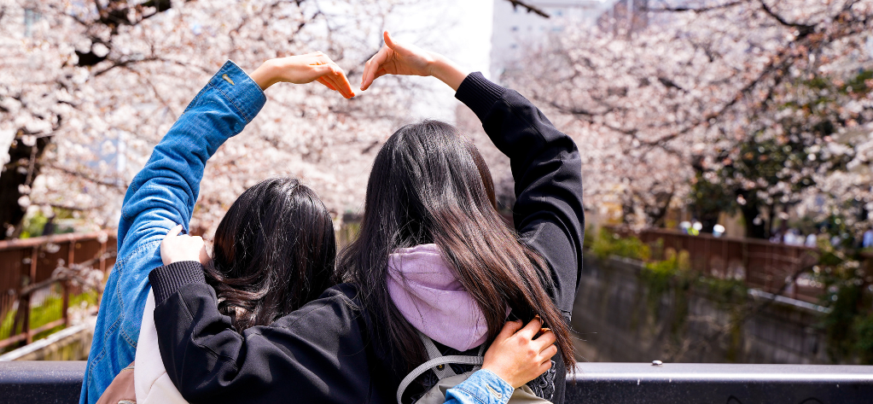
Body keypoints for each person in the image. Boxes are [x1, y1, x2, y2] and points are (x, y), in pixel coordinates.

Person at [150, 31, 583, 403]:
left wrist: (186, 273)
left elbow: (220, 372)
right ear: (479, 195)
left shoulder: (353, 317)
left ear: (380, 209)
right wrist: (440, 70)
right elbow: (552, 156)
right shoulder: (537, 280)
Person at [80, 53, 357, 404]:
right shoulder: (314, 352)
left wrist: (266, 74)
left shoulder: (151, 275)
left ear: (230, 235)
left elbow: (167, 171)